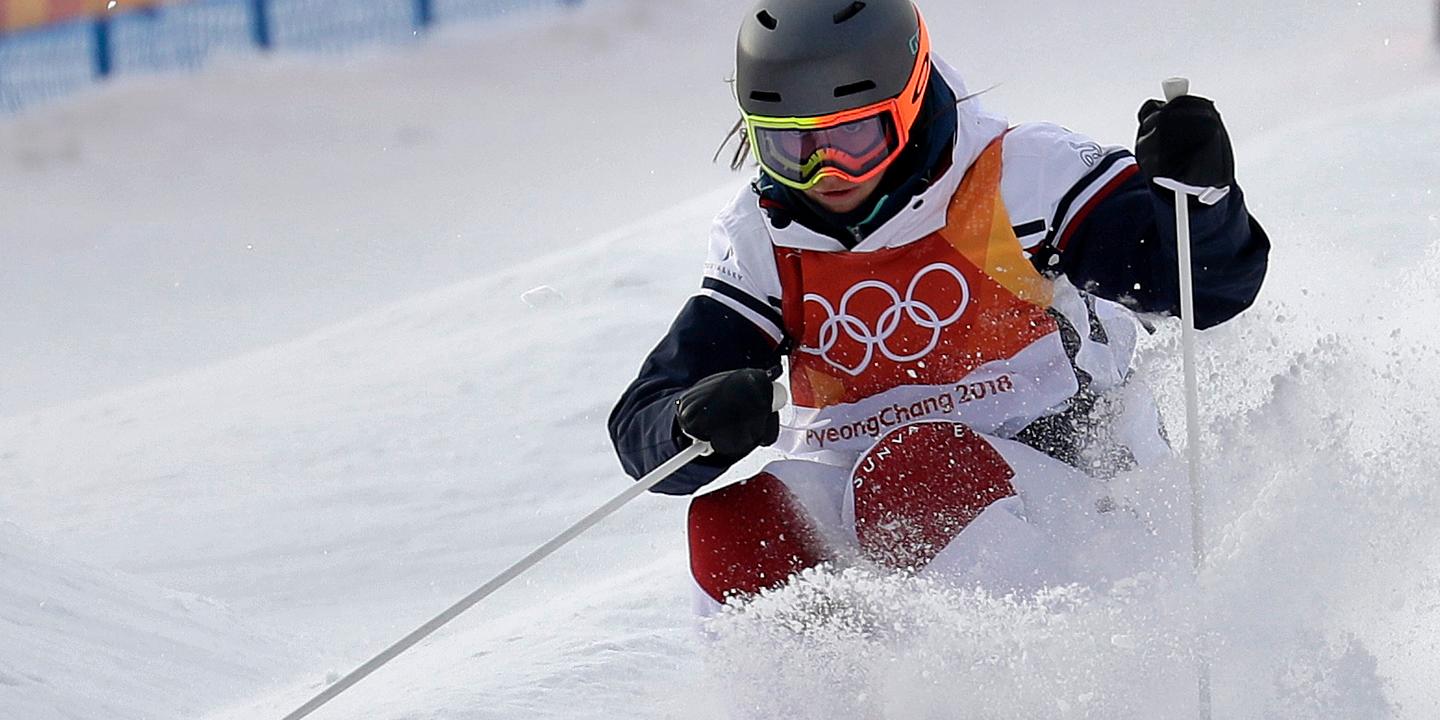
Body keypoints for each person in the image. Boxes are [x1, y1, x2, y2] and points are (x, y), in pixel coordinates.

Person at [609, 0, 1268, 612]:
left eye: (855, 139)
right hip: (873, 505)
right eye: (791, 148)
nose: (826, 174)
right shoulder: (764, 239)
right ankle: (812, 686)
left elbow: (1203, 287)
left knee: (916, 472)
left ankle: (1042, 675)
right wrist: (690, 422)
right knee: (737, 527)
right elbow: (646, 426)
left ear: (911, 100)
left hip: (1071, 488)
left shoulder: (1018, 176)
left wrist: (1201, 202)